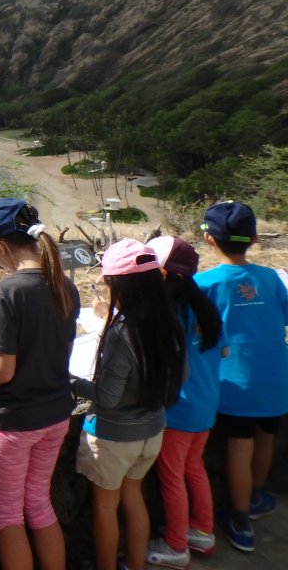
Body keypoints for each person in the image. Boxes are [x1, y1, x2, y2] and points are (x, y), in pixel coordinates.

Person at [0, 199, 78, 570]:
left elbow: (1, 371)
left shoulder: (8, 292)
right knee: (38, 501)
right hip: (57, 414)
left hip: (16, 421)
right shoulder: (63, 284)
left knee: (7, 515)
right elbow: (61, 352)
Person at [71, 239, 185, 570]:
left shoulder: (122, 332)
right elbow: (181, 376)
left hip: (116, 436)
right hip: (153, 430)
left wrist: (72, 383)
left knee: (106, 506)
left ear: (122, 285)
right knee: (134, 499)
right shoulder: (169, 323)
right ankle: (135, 564)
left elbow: (107, 397)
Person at [195, 200, 288, 554]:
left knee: (238, 447)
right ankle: (257, 495)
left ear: (208, 239)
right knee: (265, 438)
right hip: (276, 380)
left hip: (235, 385)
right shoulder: (270, 278)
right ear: (254, 238)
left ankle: (239, 518)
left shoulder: (204, 283)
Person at [143, 236, 225, 567]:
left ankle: (177, 545)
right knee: (194, 467)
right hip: (207, 403)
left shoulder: (166, 314)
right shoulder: (205, 305)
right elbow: (224, 349)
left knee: (172, 478)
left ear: (161, 275)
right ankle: (202, 530)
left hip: (179, 409)